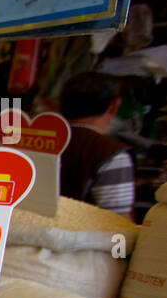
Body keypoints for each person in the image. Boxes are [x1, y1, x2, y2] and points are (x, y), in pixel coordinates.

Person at [58, 72, 135, 220]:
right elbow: (117, 224)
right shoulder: (111, 154)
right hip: (79, 241)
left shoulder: (33, 140)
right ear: (114, 105)